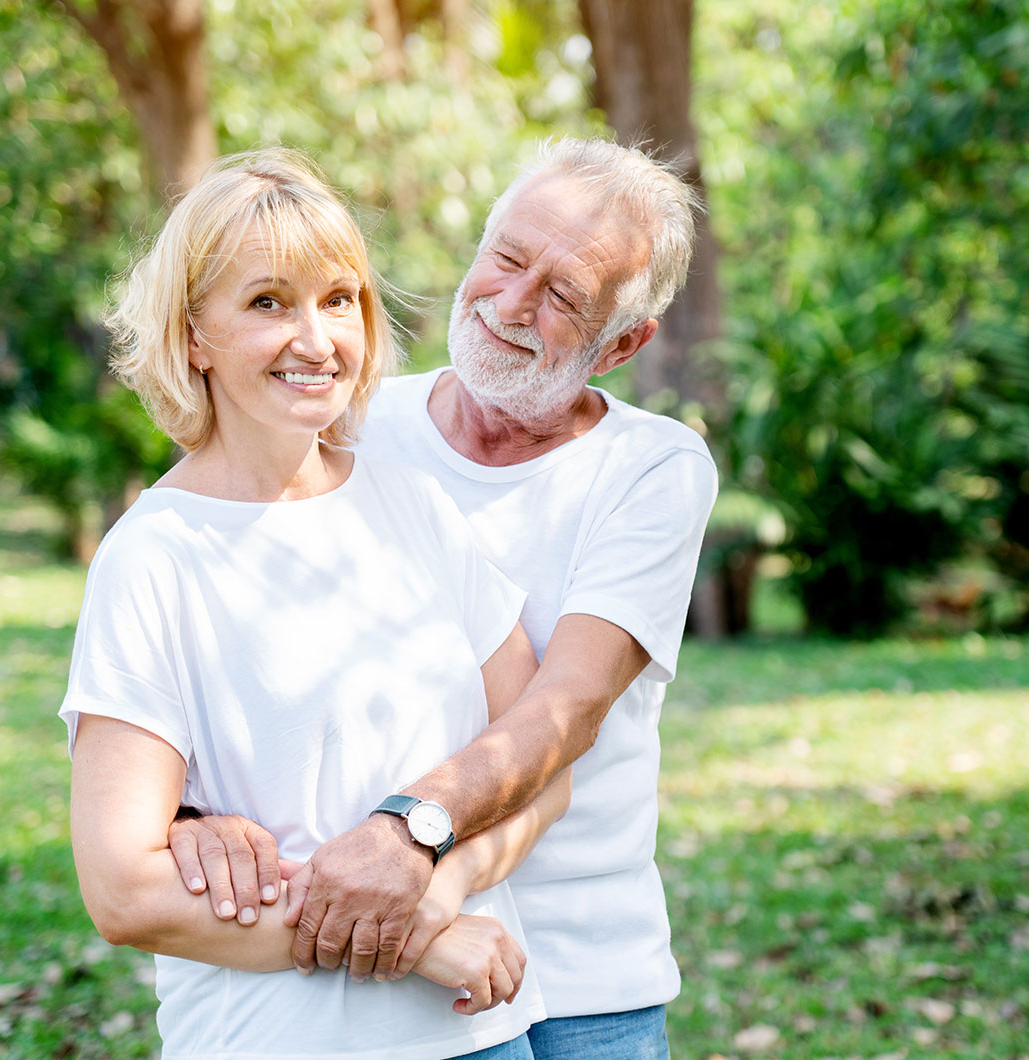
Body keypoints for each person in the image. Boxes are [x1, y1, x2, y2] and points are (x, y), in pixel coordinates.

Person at [171, 138, 718, 1059]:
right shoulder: (347, 419)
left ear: (621, 344)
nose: (510, 304)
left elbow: (566, 709)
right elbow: (207, 611)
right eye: (506, 258)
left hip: (583, 973)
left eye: (562, 297)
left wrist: (407, 833)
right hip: (394, 972)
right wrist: (193, 810)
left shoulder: (650, 468)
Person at [61, 147, 574, 1060]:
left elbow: (541, 768)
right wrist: (415, 945)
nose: (317, 338)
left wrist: (435, 896)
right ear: (192, 337)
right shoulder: (156, 557)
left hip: (484, 1035)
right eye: (268, 303)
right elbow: (124, 891)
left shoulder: (412, 502)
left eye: (339, 299)